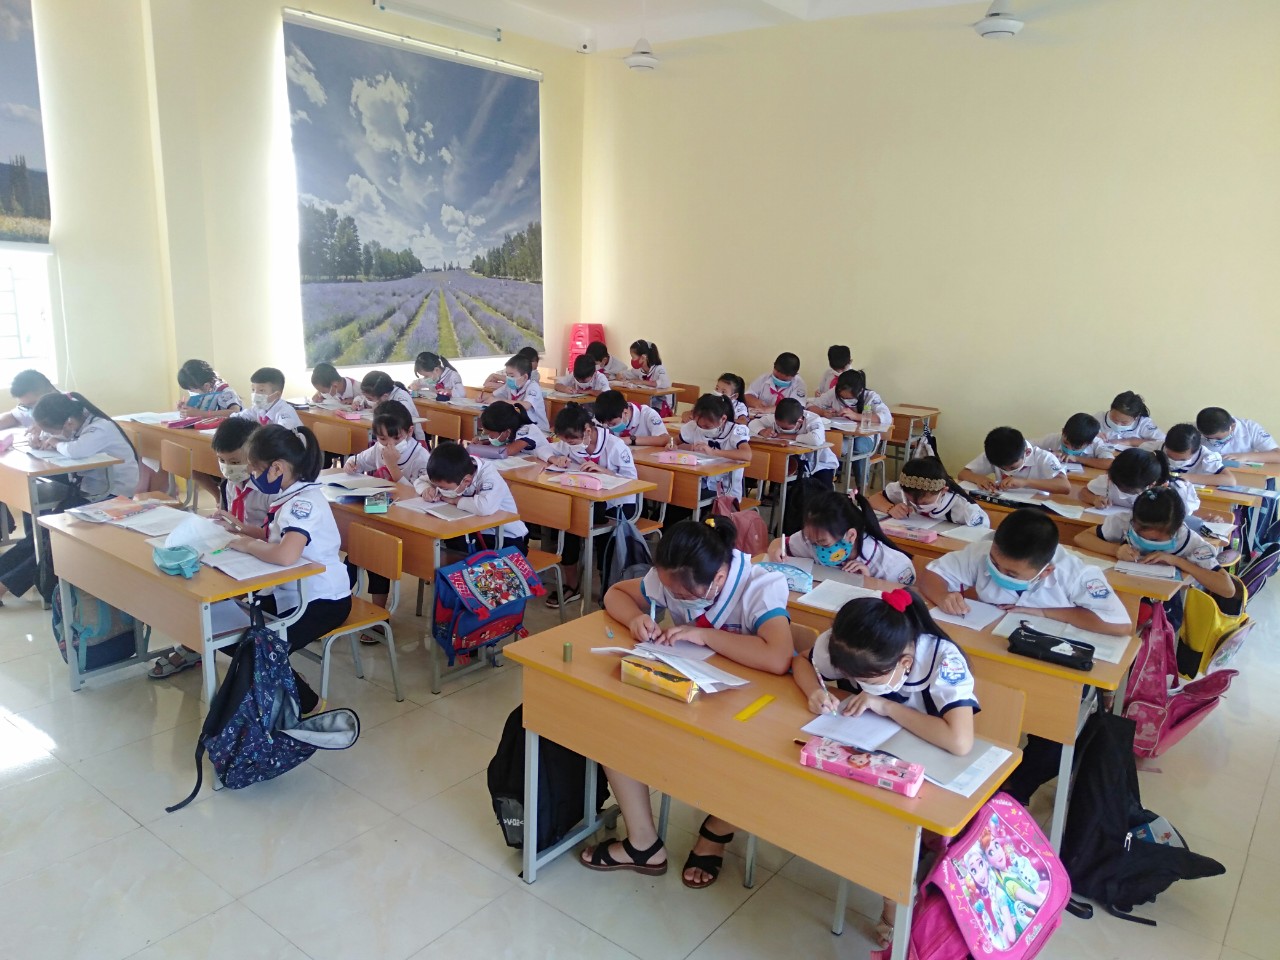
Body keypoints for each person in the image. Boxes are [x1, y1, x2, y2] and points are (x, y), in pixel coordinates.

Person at [584, 517, 792, 887]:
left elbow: (778, 657)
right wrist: (635, 618)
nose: (671, 598)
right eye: (668, 591)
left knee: (756, 767)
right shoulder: (672, 575)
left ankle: (716, 831)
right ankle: (643, 844)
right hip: (694, 690)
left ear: (718, 578)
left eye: (680, 596)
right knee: (613, 723)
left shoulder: (760, 585)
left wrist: (705, 636)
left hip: (751, 707)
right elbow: (616, 593)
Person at [792, 587, 977, 947]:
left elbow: (959, 740)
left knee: (889, 825)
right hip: (867, 750)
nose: (860, 684)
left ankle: (895, 898)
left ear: (904, 663)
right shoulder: (845, 643)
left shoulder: (942, 659)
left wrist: (887, 706)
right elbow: (802, 662)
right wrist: (813, 691)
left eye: (870, 680)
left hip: (927, 764)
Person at [195, 425, 351, 711]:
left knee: (256, 651)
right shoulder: (290, 495)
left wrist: (246, 545)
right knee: (226, 633)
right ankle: (283, 676)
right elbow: (277, 537)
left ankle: (310, 704)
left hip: (322, 601)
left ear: (277, 468)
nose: (251, 475)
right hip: (289, 591)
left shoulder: (302, 504)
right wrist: (242, 529)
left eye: (254, 469)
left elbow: (286, 554)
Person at [0, 392, 141, 607]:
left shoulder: (100, 428)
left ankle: (5, 584)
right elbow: (61, 439)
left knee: (56, 539)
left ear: (68, 422)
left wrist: (54, 442)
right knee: (43, 530)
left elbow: (76, 450)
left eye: (51, 430)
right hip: (88, 491)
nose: (50, 434)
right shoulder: (76, 423)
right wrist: (43, 440)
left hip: (112, 495)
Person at [919, 508, 1131, 637]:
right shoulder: (982, 552)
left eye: (1011, 574)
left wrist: (1045, 612)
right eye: (994, 563)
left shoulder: (1076, 576)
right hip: (989, 634)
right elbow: (932, 574)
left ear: (1046, 571)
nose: (999, 573)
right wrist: (943, 596)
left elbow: (1120, 625)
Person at [537, 403, 638, 607]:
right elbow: (542, 448)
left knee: (602, 536)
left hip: (618, 504)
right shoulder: (569, 443)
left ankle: (609, 589)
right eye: (565, 441)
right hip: (586, 501)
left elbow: (632, 481)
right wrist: (555, 458)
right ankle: (571, 585)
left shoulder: (615, 446)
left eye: (572, 440)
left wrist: (605, 472)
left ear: (587, 430)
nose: (569, 444)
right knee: (566, 525)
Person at [1074, 487, 1235, 600]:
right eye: (1139, 535)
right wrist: (1115, 550)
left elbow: (1227, 589)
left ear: (1176, 530)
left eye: (1155, 540)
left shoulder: (1189, 541)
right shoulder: (1124, 522)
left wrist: (1177, 561)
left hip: (1162, 603)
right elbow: (1081, 538)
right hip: (1120, 589)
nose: (1146, 542)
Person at [767, 489, 914, 584]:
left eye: (824, 544)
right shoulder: (814, 536)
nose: (816, 548)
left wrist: (866, 581)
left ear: (850, 536)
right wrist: (775, 550)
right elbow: (781, 543)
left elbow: (902, 607)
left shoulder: (890, 564)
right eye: (812, 542)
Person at [416, 441, 528, 553]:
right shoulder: (450, 473)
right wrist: (426, 489)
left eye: (444, 488)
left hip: (504, 536)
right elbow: (420, 481)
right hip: (474, 528)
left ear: (466, 481)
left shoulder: (489, 477)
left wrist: (455, 500)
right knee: (450, 537)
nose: (440, 490)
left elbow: (484, 507)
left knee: (457, 540)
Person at [806, 369, 889, 488]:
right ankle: (824, 483)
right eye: (842, 397)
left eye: (850, 398)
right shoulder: (833, 392)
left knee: (858, 446)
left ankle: (862, 487)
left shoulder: (871, 396)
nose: (845, 401)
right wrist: (823, 412)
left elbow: (886, 417)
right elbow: (810, 406)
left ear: (859, 391)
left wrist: (856, 416)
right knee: (829, 444)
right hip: (843, 436)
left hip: (866, 438)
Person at [676, 394, 752, 512]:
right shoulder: (693, 427)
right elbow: (676, 441)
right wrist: (672, 445)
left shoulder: (735, 430)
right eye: (699, 425)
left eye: (707, 426)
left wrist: (713, 452)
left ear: (723, 419)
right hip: (699, 483)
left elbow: (747, 455)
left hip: (725, 491)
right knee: (678, 495)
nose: (702, 428)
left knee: (686, 499)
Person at [869, 456, 990, 528]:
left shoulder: (965, 509)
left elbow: (981, 534)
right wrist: (890, 508)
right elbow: (874, 498)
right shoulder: (907, 488)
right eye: (910, 500)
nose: (918, 506)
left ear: (943, 491)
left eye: (925, 503)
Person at [1079, 447, 1200, 517]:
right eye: (1117, 485)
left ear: (1151, 485)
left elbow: (1183, 517)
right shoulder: (1111, 479)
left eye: (1128, 490)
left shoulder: (1176, 490)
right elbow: (1083, 492)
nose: (1120, 490)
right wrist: (1094, 499)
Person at [748, 397, 839, 489]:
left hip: (820, 463)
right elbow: (753, 423)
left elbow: (816, 439)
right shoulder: (776, 418)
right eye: (779, 426)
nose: (781, 429)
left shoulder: (813, 419)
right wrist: (763, 431)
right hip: (792, 460)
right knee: (782, 475)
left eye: (786, 428)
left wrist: (785, 436)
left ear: (800, 421)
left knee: (823, 489)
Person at [958, 427, 1071, 496]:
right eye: (1001, 468)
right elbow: (963, 474)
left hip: (1035, 505)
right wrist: (979, 479)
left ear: (1027, 452)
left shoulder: (1044, 457)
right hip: (1005, 502)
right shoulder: (996, 453)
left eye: (1012, 468)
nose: (1007, 471)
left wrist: (1025, 482)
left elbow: (1065, 487)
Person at [344, 401, 430, 488]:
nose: (390, 444)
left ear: (410, 431)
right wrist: (351, 464)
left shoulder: (420, 458)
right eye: (383, 438)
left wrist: (392, 466)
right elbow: (359, 461)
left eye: (397, 438)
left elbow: (416, 492)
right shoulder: (378, 448)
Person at [209, 416, 268, 538]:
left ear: (257, 457)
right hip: (240, 541)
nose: (227, 468)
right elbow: (233, 519)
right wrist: (221, 520)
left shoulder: (271, 490)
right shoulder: (232, 482)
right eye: (221, 460)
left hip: (262, 545)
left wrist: (238, 527)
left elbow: (276, 537)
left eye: (235, 462)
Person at [1149, 423, 1236, 487]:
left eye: (1182, 460)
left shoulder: (1206, 456)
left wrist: (1182, 477)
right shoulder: (1151, 448)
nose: (1175, 462)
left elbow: (1230, 480)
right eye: (1170, 457)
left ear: (1196, 451)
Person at [482, 353, 548, 432]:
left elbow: (526, 405)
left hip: (538, 430)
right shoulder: (510, 386)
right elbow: (493, 395)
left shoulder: (533, 387)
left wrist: (498, 401)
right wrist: (483, 398)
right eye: (507, 375)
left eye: (512, 376)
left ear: (524, 377)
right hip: (520, 427)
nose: (508, 379)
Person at [355, 370, 424, 443]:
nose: (367, 400)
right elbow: (363, 397)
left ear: (385, 396)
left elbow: (399, 420)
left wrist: (378, 409)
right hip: (389, 435)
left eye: (369, 399)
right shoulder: (381, 392)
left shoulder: (402, 400)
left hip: (406, 438)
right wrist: (357, 401)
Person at [1196, 406, 1280, 464]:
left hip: (1245, 476)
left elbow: (1277, 455)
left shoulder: (1250, 427)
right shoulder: (1194, 430)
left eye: (1219, 438)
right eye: (1208, 438)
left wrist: (1246, 457)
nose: (1214, 441)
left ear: (1232, 427)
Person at [467, 400, 548, 459]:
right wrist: (482, 443)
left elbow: (508, 450)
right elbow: (500, 442)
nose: (490, 437)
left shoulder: (527, 430)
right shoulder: (511, 429)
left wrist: (477, 449)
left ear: (507, 432)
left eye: (491, 435)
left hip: (544, 466)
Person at [1032, 413, 1113, 469]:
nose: (1069, 449)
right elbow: (1027, 446)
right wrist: (1047, 454)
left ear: (1089, 443)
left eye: (1076, 447)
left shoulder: (1097, 443)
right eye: (1066, 443)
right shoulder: (1054, 438)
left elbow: (1110, 464)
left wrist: (1077, 458)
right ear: (1063, 432)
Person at [592, 389, 669, 447]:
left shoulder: (648, 414)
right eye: (607, 425)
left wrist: (630, 440)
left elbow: (664, 439)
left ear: (625, 413)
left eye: (613, 424)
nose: (610, 427)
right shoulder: (605, 417)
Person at [234, 367, 302, 430]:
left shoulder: (285, 413)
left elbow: (283, 435)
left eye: (261, 390)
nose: (255, 394)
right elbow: (238, 417)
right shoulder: (258, 408)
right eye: (253, 389)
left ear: (277, 395)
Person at [621, 339, 674, 416]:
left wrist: (642, 382)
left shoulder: (659, 369)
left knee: (639, 413)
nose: (632, 360)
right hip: (647, 404)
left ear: (643, 358)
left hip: (660, 405)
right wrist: (620, 375)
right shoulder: (640, 369)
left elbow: (664, 383)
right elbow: (627, 374)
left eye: (633, 357)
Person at [175, 359, 242, 417]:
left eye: (192, 390)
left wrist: (200, 414)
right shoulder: (205, 391)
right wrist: (186, 408)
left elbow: (235, 412)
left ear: (206, 386)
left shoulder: (225, 391)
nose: (191, 392)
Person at [1096, 391, 1163, 448]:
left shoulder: (1144, 423)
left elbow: (1162, 443)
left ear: (1136, 417)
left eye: (1124, 422)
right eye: (1114, 419)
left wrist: (1131, 441)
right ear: (1110, 410)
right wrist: (1093, 436)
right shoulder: (1099, 418)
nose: (1118, 424)